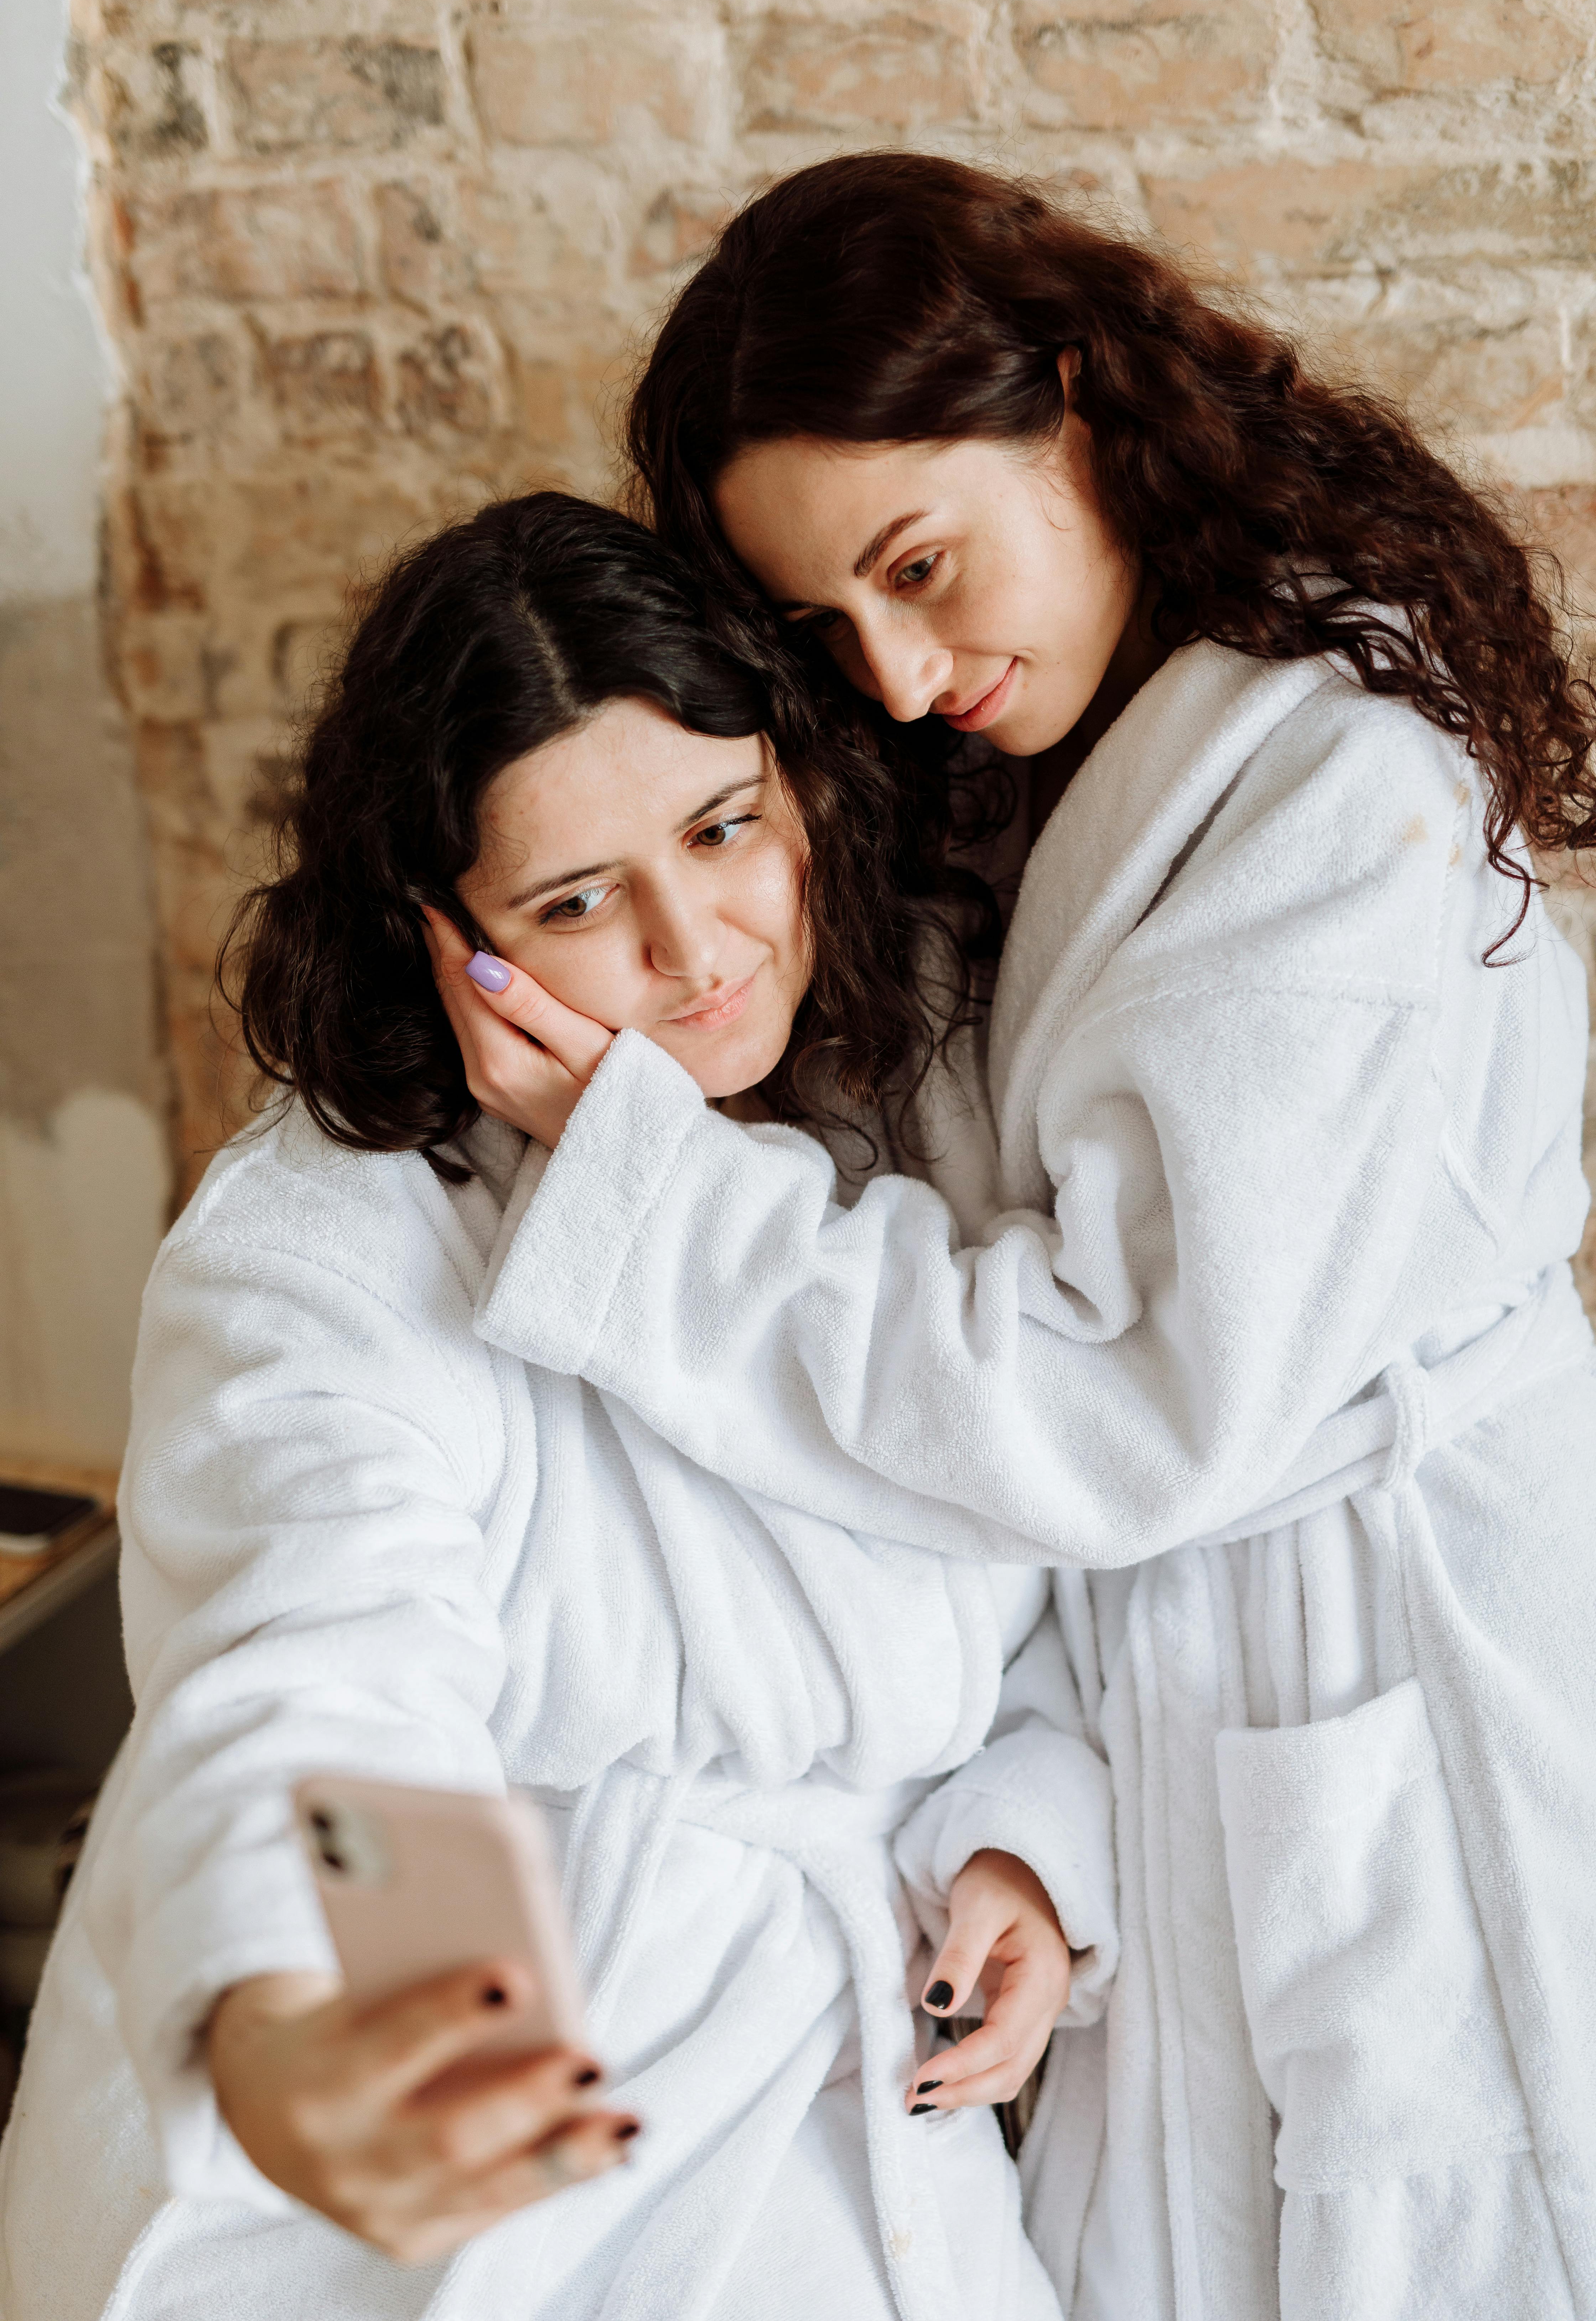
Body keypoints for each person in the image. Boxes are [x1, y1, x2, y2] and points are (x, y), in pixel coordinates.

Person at [430, 156, 1596, 2321]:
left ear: (1075, 403)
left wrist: (651, 1199)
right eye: (822, 632)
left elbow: (1124, 1397)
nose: (891, 669)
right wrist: (1041, 1840)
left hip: (1385, 1648)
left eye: (918, 565)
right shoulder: (1057, 769)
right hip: (1183, 1690)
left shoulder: (1332, 792)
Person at [0, 491, 1108, 2321]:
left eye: (724, 827)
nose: (696, 949)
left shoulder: (896, 1121)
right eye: (577, 903)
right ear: (442, 935)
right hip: (486, 2130)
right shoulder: (328, 1245)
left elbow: (1028, 1555)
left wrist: (1022, 1839)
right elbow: (326, 1662)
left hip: (837, 2095)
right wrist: (339, 2015)